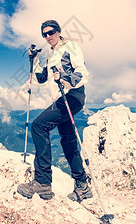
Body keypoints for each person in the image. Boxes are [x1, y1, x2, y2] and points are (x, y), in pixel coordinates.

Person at [17, 20, 93, 202]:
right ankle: (82, 186)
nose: (48, 36)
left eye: (51, 32)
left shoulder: (70, 46)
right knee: (68, 141)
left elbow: (83, 72)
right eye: (44, 34)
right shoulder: (51, 56)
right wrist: (33, 60)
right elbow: (42, 78)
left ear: (58, 31)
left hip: (72, 97)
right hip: (62, 99)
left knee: (38, 126)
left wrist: (65, 76)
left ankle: (43, 182)